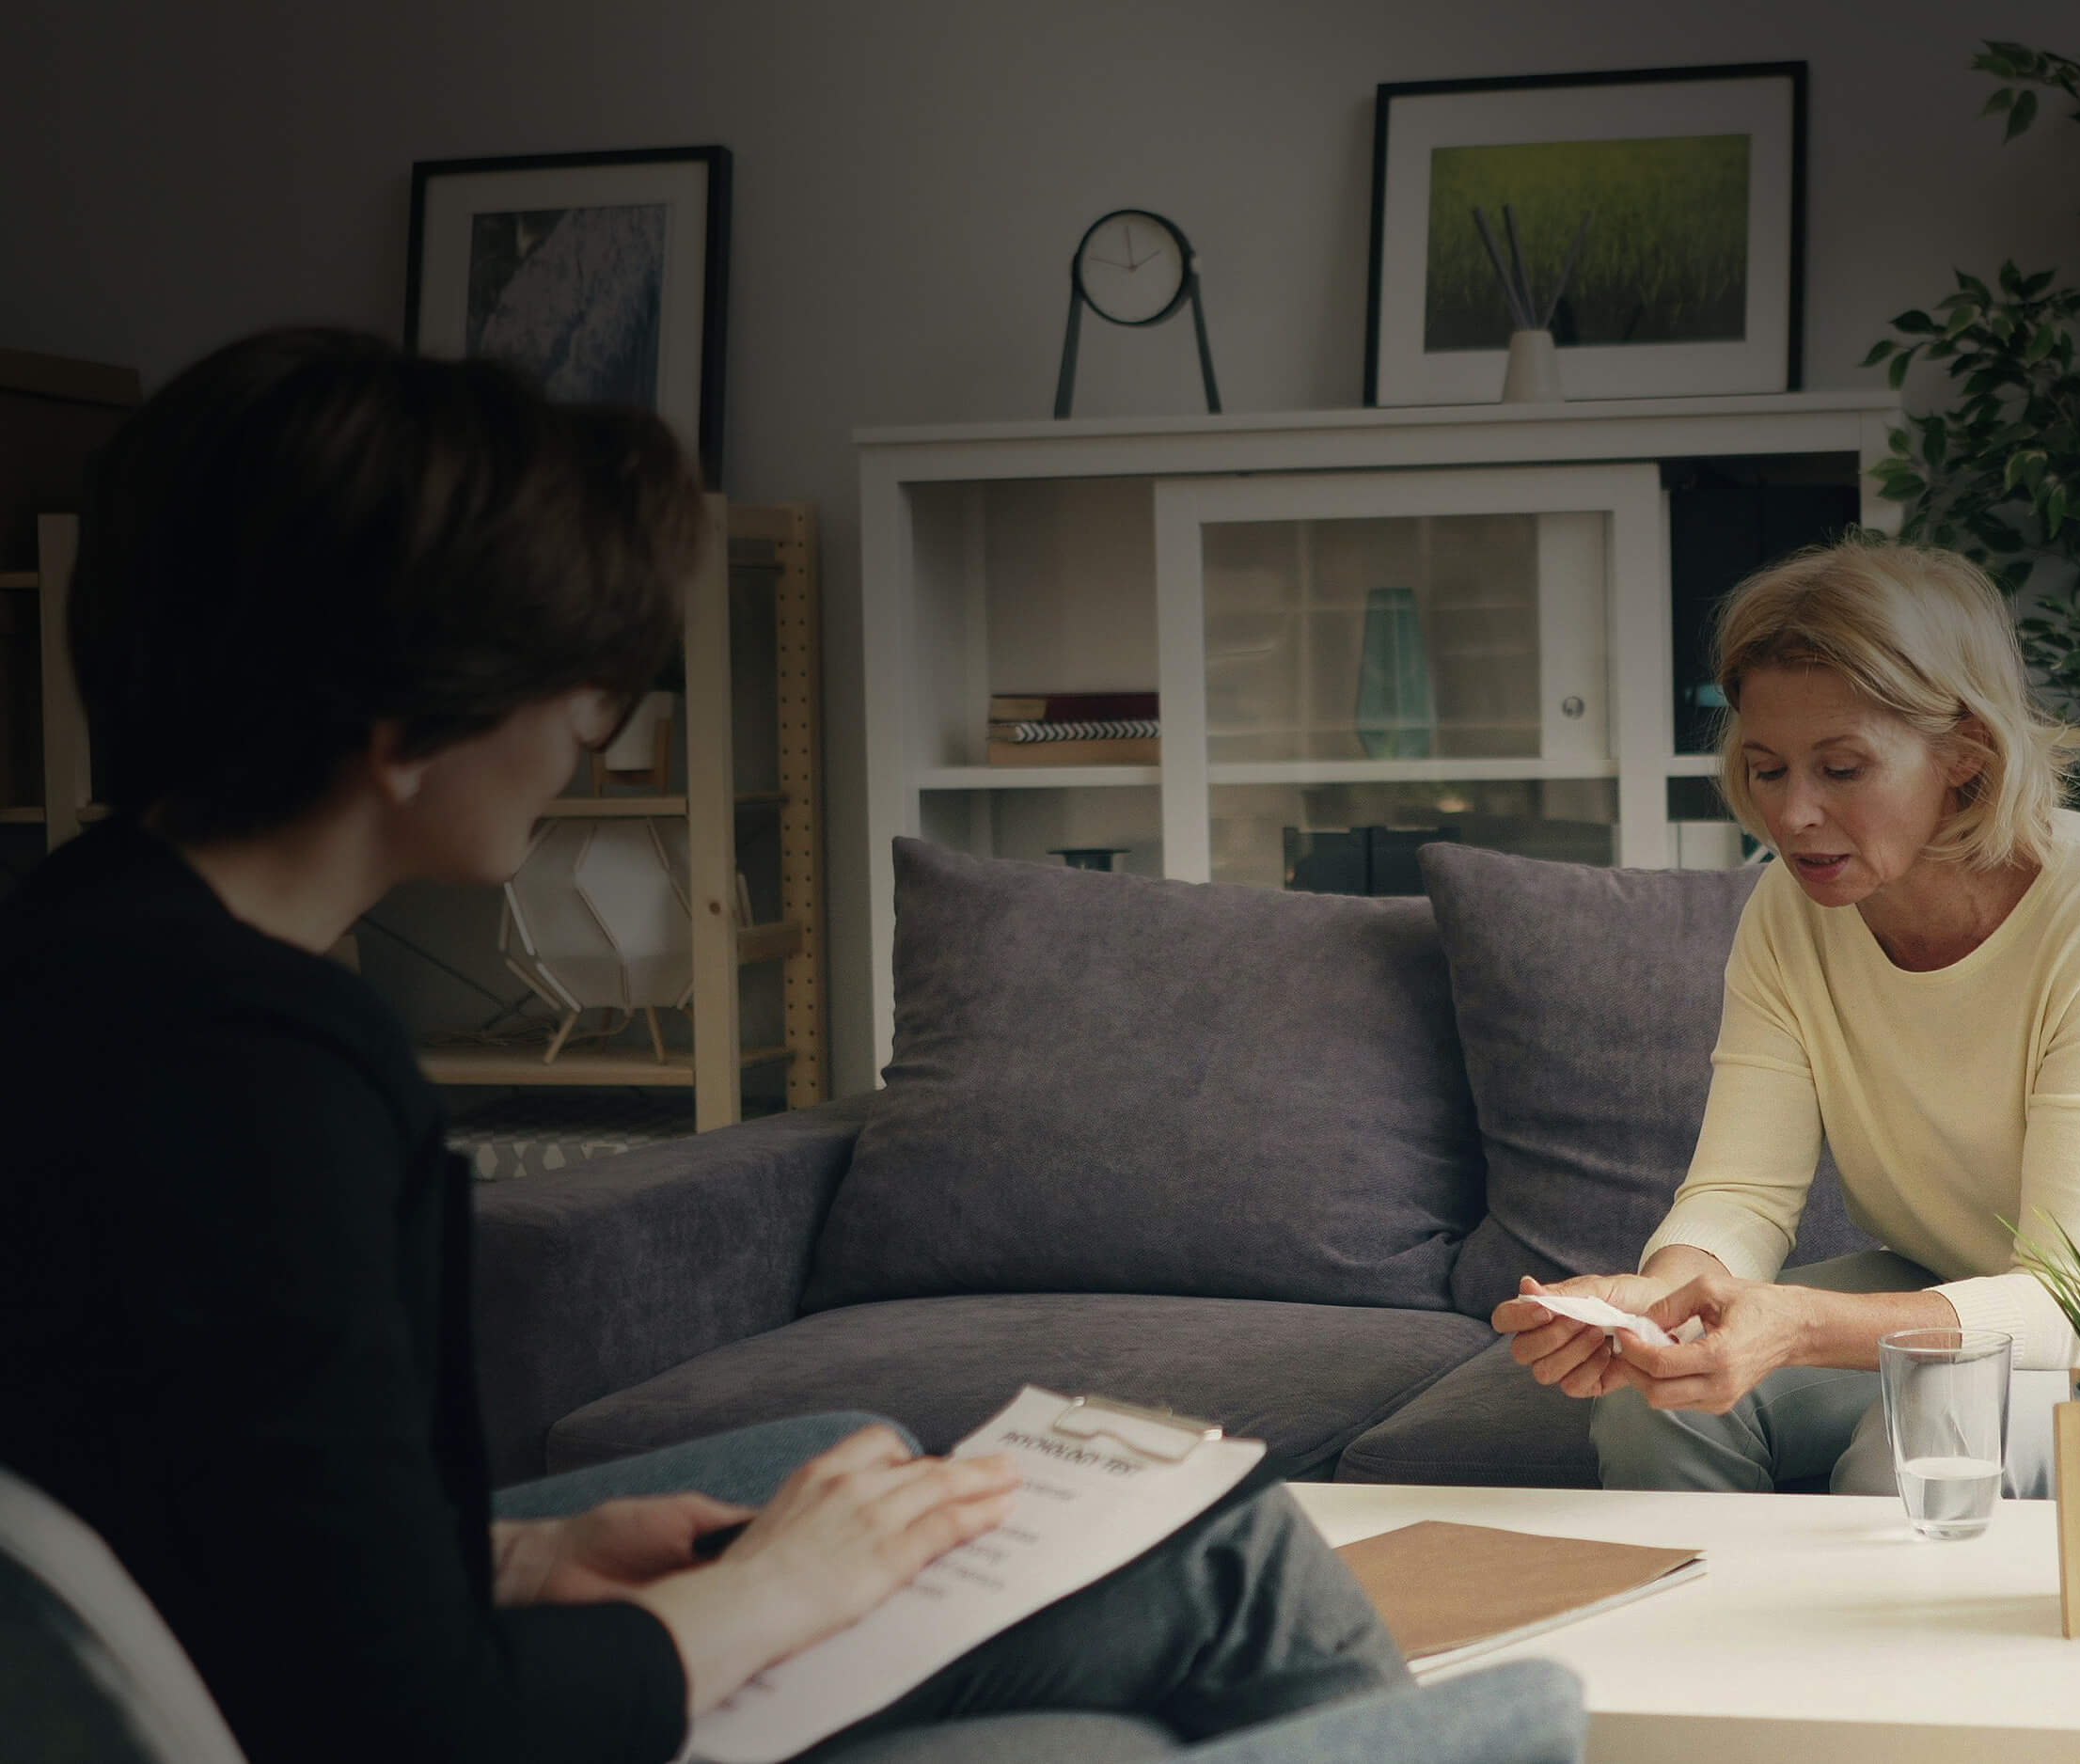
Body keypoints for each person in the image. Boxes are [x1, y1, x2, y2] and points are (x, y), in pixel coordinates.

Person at [0, 328, 1582, 1764]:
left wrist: (522, 1554)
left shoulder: (78, 963)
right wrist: (766, 1603)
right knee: (1447, 1692)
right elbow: (414, 1721)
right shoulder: (266, 1085)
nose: (583, 738)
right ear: (407, 721)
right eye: (583, 689)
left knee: (875, 1472)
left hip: (263, 1668)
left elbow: (175, 1495)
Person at [1489, 541, 2080, 1497]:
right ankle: (1711, 1647)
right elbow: (1741, 1191)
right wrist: (1657, 1303)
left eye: (1843, 767)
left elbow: (2077, 1298)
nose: (1795, 814)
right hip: (1959, 1287)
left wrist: (1805, 1324)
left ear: (1963, 756)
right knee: (1659, 1396)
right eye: (1768, 768)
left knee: (1933, 1434)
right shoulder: (1787, 912)